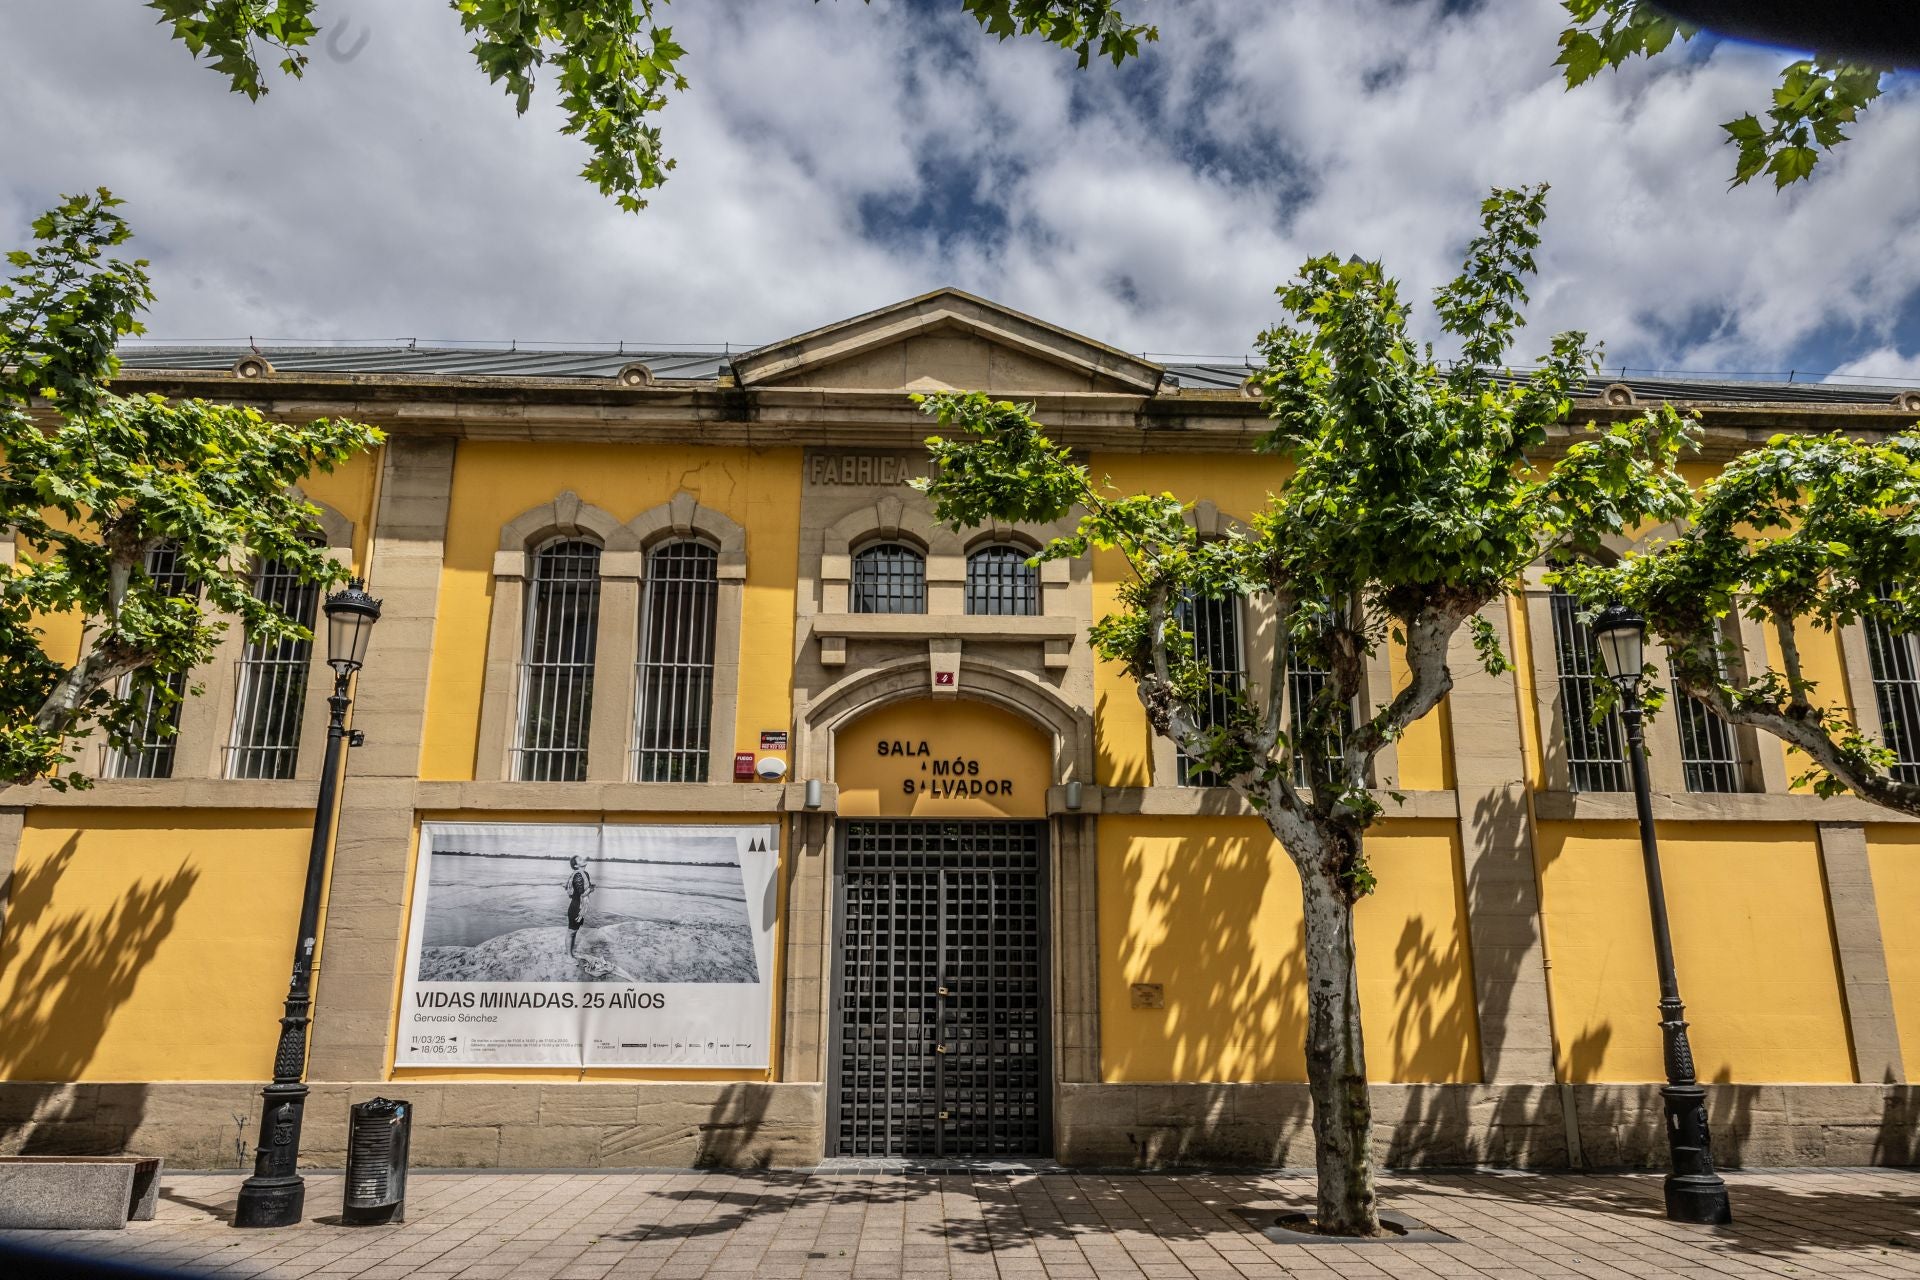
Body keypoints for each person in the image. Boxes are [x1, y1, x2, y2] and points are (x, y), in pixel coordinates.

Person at [564, 856, 594, 957]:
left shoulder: (585, 874)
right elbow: (582, 893)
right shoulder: (578, 876)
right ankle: (568, 956)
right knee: (571, 932)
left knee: (575, 931)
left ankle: (571, 952)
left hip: (580, 906)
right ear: (576, 865)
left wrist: (590, 888)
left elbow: (583, 889)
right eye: (580, 860)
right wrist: (591, 888)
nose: (583, 860)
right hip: (576, 907)